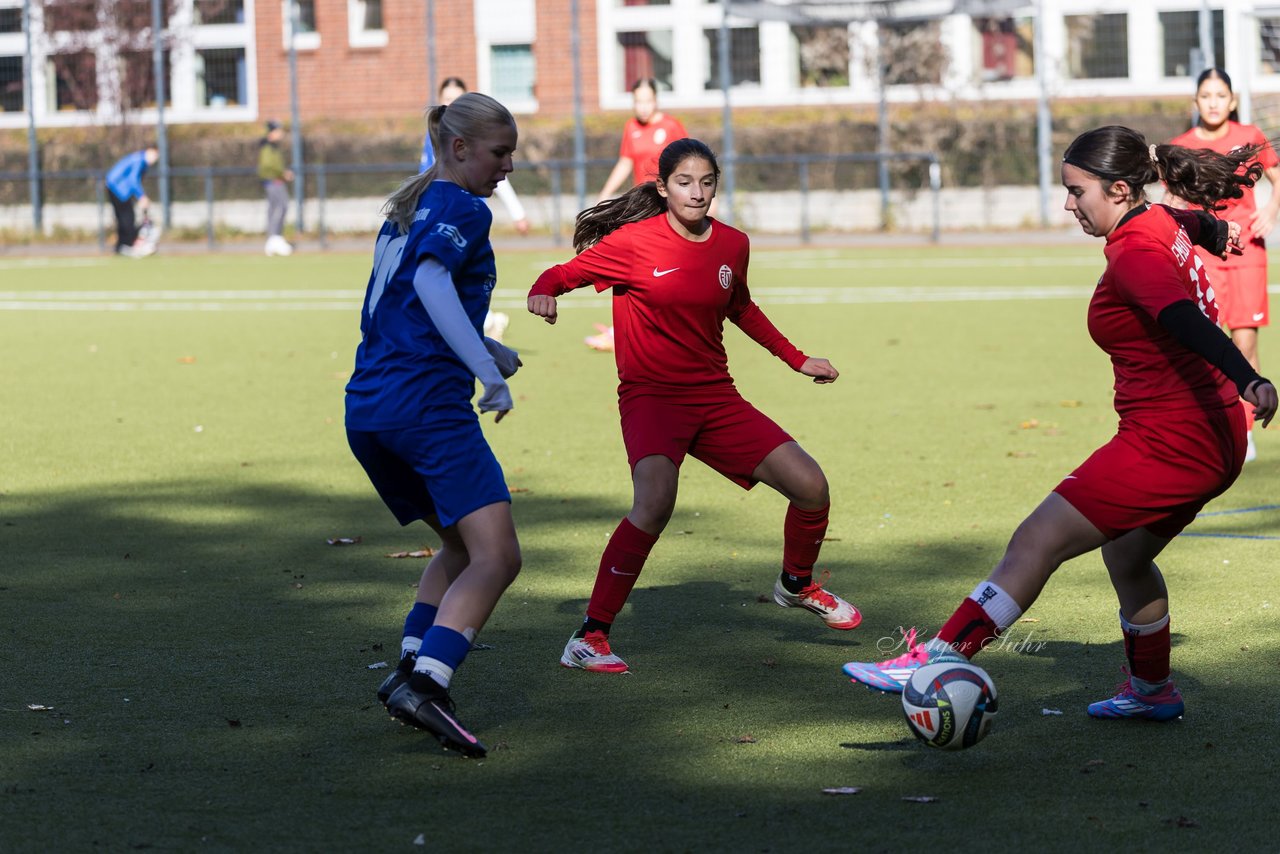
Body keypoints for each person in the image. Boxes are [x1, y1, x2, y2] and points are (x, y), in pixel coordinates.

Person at [843, 126, 1278, 724]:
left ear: (1120, 190)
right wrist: (1221, 231)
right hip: (1215, 434)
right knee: (1126, 557)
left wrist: (1246, 374)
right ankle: (1153, 691)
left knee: (1036, 540)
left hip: (1173, 441)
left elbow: (1182, 319)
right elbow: (1195, 227)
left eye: (1077, 192)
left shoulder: (1136, 251)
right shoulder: (1160, 221)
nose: (1068, 205)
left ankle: (932, 659)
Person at [527, 138, 861, 675]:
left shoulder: (732, 244)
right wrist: (542, 293)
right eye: (685, 182)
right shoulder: (632, 243)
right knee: (654, 504)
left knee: (811, 486)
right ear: (662, 188)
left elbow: (743, 308)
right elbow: (561, 275)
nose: (697, 192)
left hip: (716, 398)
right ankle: (589, 635)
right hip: (652, 400)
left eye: (707, 182)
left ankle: (797, 584)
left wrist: (796, 359)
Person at [346, 92, 524, 758]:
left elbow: (403, 305)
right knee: (498, 555)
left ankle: (410, 665)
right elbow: (428, 281)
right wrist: (488, 369)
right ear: (458, 149)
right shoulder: (459, 205)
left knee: (458, 547)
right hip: (424, 404)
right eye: (499, 152)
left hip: (368, 407)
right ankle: (427, 683)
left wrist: (492, 349)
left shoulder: (408, 205)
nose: (508, 166)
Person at [1167, 68, 1280, 463]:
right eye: (1205, 96)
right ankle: (1212, 426)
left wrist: (1271, 210)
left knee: (1245, 342)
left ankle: (1245, 429)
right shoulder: (1180, 146)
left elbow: (1276, 174)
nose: (1213, 102)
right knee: (1205, 342)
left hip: (1248, 250)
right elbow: (1174, 202)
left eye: (1220, 95)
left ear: (1231, 101)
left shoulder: (1249, 136)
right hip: (1205, 254)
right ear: (1195, 102)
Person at [589, 79, 690, 353]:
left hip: (669, 208)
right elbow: (626, 161)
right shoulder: (631, 127)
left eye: (647, 100)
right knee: (637, 268)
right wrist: (606, 193)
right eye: (637, 101)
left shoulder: (671, 126)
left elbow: (690, 163)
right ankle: (629, 329)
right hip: (642, 209)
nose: (642, 106)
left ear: (656, 100)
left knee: (668, 268)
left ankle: (673, 328)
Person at [420, 77, 530, 238]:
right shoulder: (433, 138)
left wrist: (517, 213)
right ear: (440, 101)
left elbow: (494, 171)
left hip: (470, 214)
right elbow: (425, 177)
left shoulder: (477, 135)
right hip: (441, 214)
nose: (452, 104)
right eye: (448, 99)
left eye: (458, 99)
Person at [105, 145, 158, 258]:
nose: (154, 159)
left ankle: (121, 247)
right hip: (118, 189)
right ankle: (126, 246)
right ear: (148, 151)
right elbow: (133, 180)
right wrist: (142, 196)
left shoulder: (138, 159)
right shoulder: (139, 160)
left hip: (116, 188)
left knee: (124, 218)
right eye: (154, 155)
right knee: (127, 218)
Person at [258, 119, 295, 257]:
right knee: (281, 206)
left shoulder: (273, 147)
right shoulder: (268, 148)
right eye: (278, 131)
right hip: (273, 181)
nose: (281, 134)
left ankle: (274, 239)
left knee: (276, 207)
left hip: (276, 180)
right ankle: (274, 238)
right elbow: (268, 165)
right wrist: (283, 173)